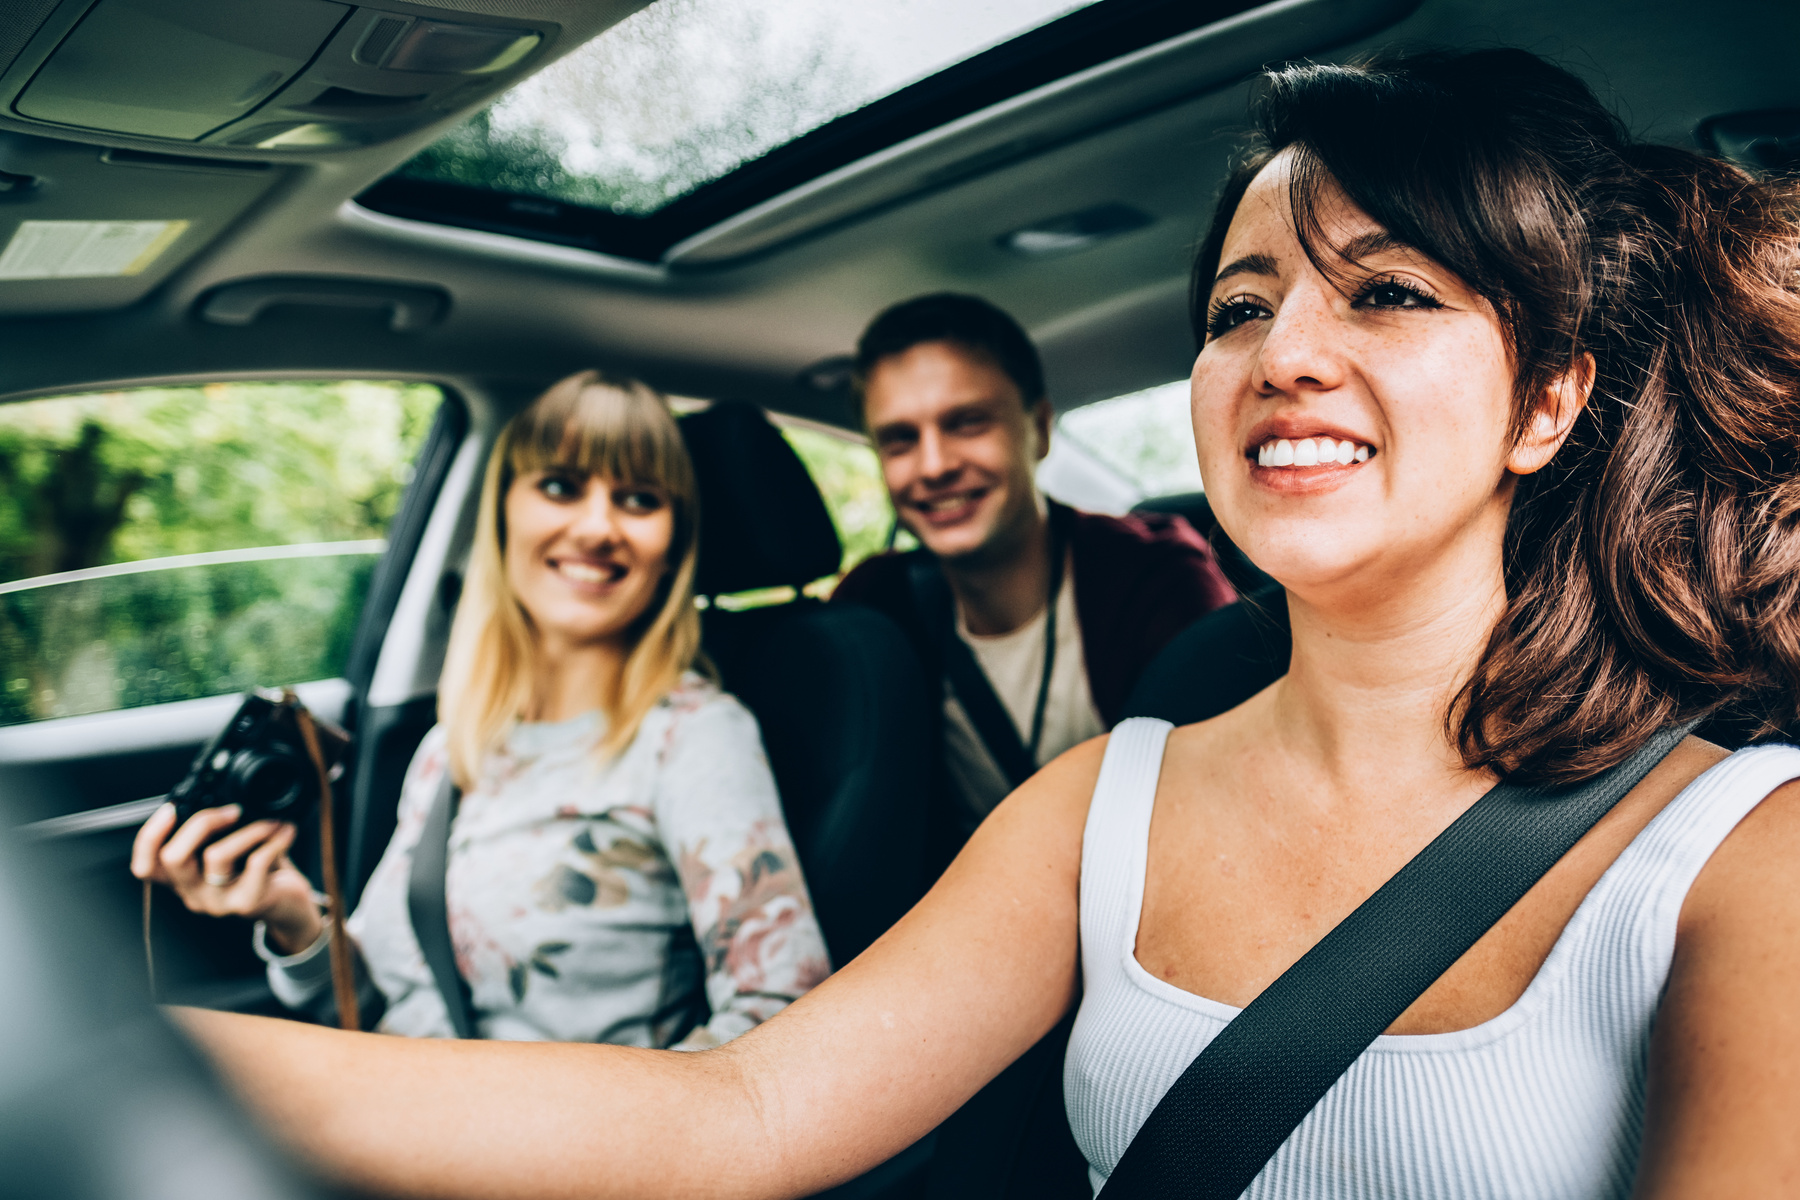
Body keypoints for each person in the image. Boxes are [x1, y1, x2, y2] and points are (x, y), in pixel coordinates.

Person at [175, 49, 1800, 1198]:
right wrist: (147, 1061)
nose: (1286, 352)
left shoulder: (1741, 855)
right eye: (1241, 308)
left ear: (1550, 400)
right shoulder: (1099, 807)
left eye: (1389, 292)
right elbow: (742, 1113)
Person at [134, 371, 829, 1047]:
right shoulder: (454, 744)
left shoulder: (695, 738)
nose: (596, 527)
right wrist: (290, 916)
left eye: (639, 499)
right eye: (561, 486)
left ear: (674, 546)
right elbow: (385, 1006)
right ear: (502, 514)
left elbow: (777, 1027)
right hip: (392, 1125)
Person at [833, 293, 1237, 858]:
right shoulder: (870, 613)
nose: (933, 465)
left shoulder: (1154, 578)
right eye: (900, 440)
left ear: (1040, 429)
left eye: (967, 423)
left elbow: (1226, 795)